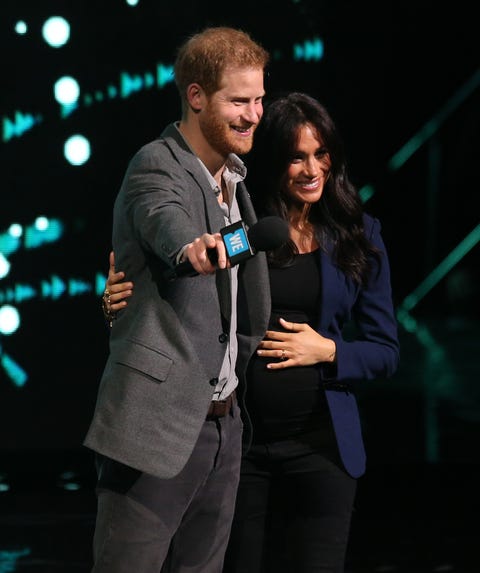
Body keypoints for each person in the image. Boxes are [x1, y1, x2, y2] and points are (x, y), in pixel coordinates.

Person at [103, 92, 400, 573]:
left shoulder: (359, 234)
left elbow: (386, 351)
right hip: (242, 448)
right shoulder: (245, 224)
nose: (311, 170)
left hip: (321, 450)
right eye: (296, 157)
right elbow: (182, 280)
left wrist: (329, 350)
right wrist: (119, 298)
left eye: (321, 155)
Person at [85, 26, 271, 573]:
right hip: (157, 429)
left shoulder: (234, 178)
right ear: (195, 96)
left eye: (259, 99)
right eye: (238, 101)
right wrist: (194, 249)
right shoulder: (156, 164)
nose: (254, 114)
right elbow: (170, 228)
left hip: (223, 425)